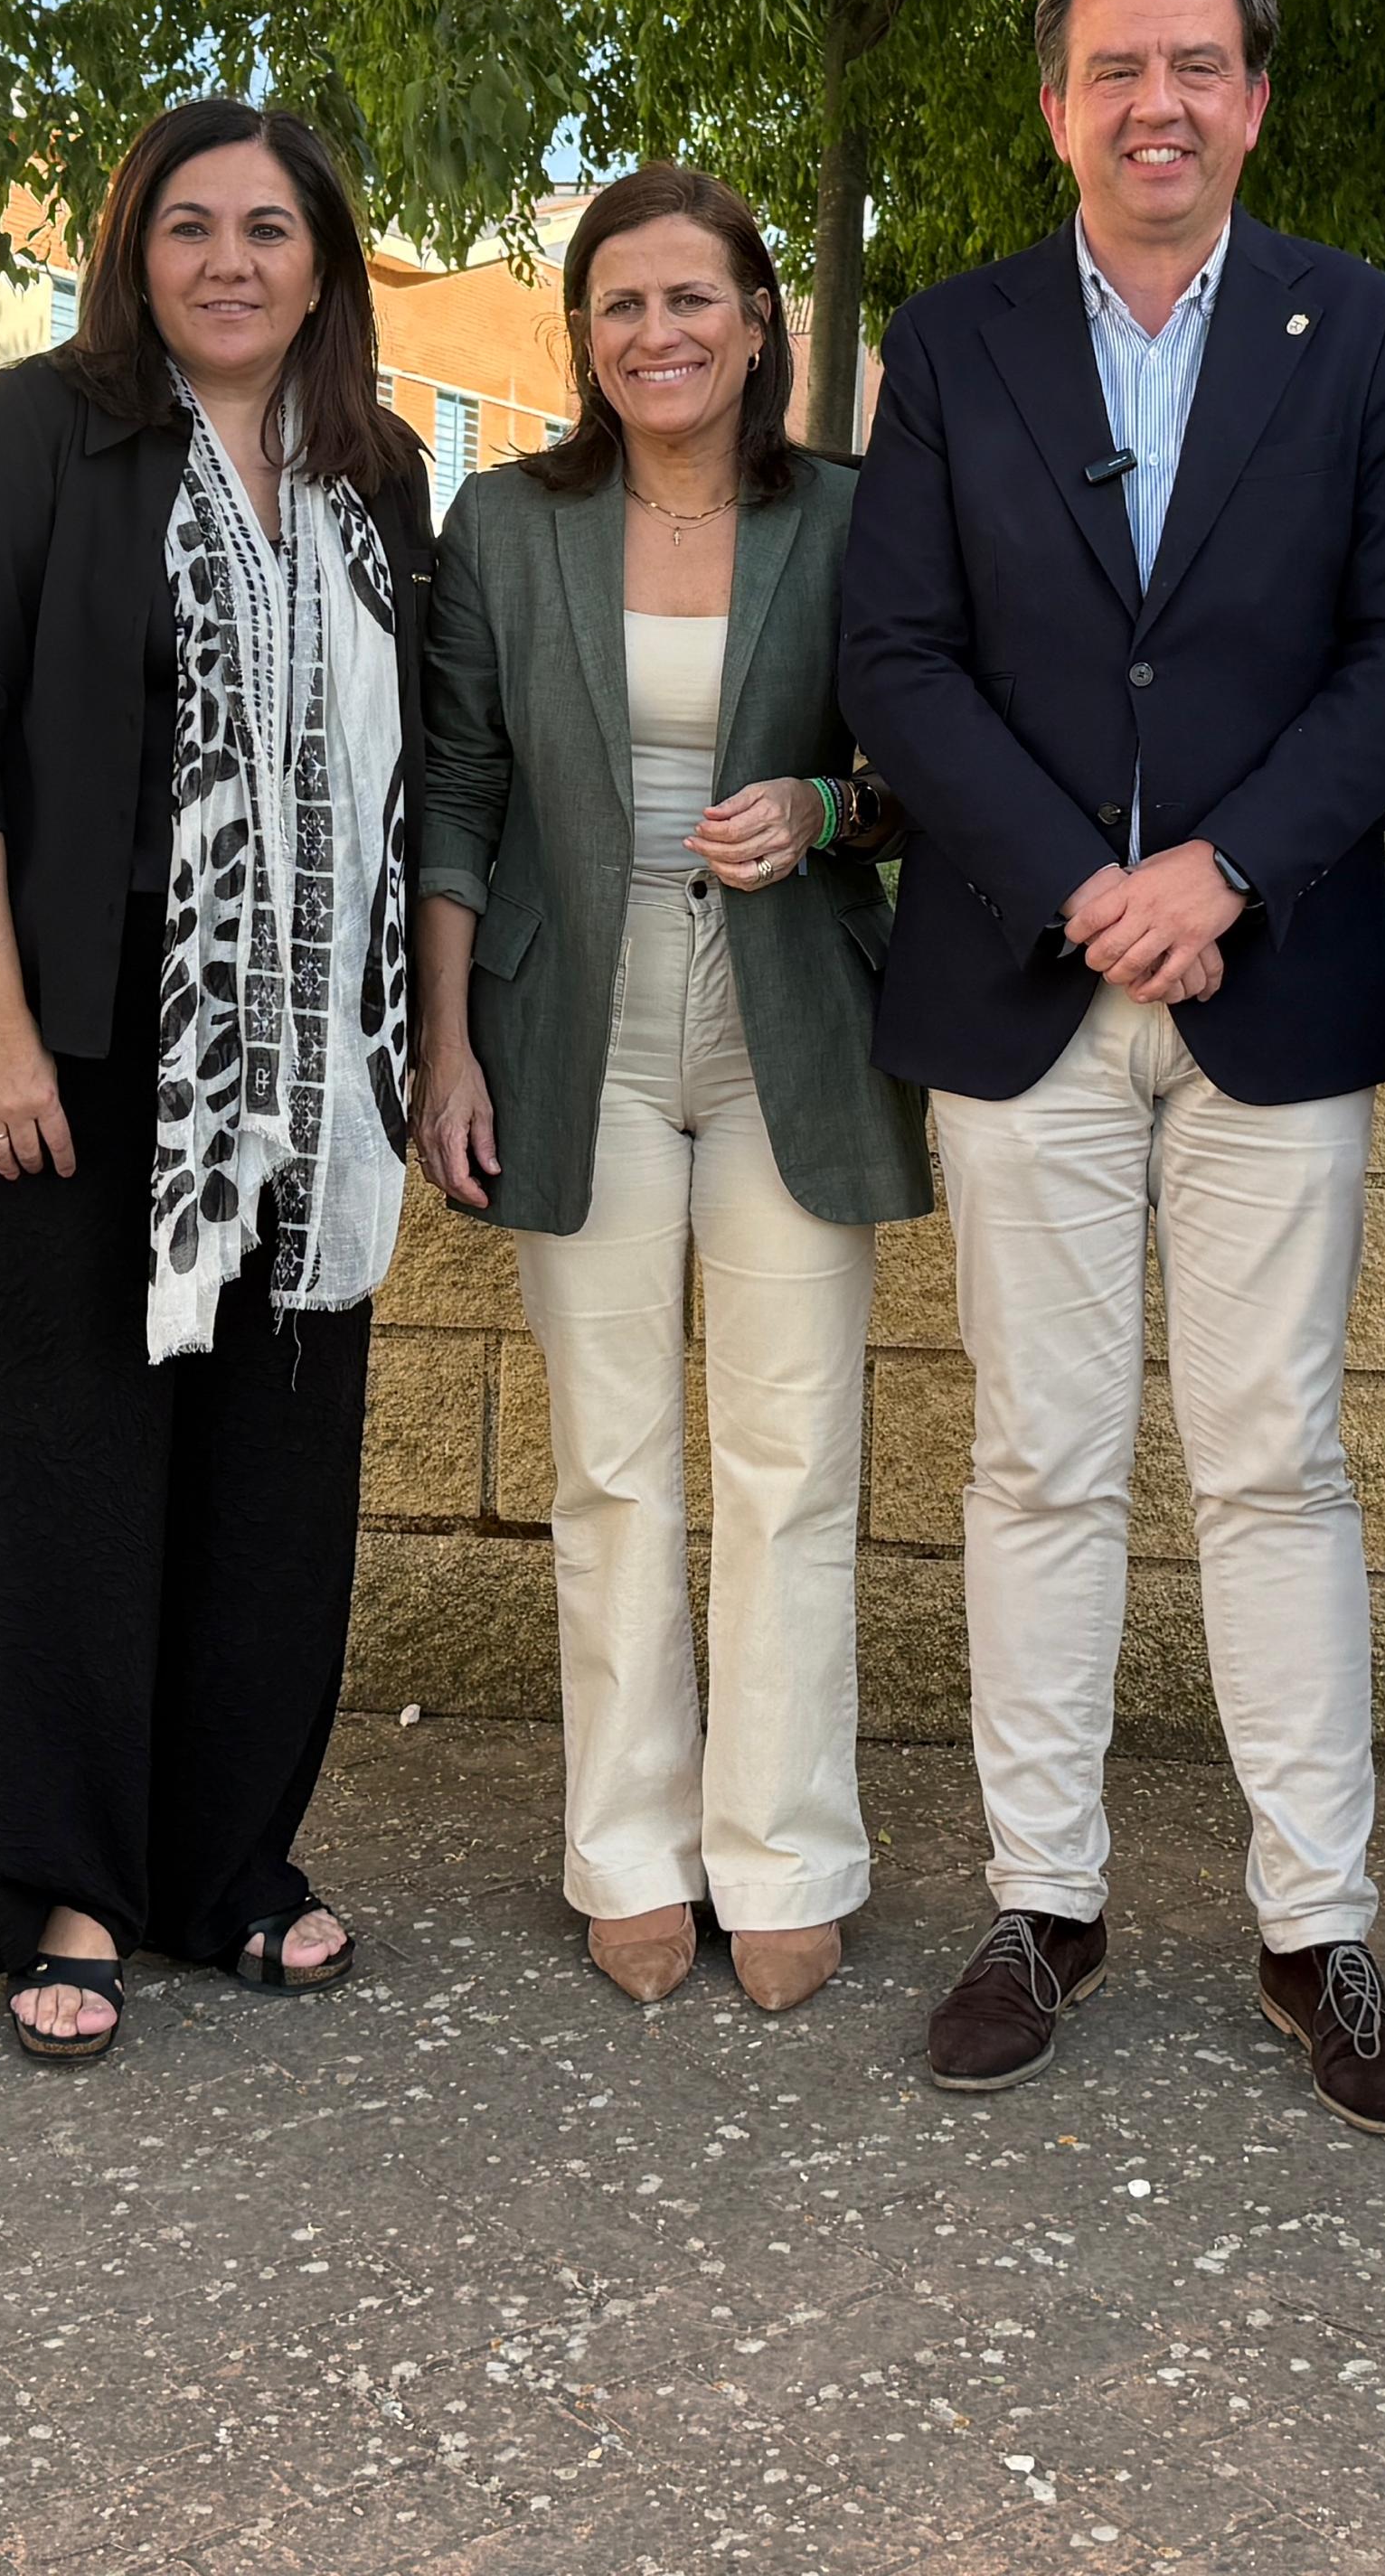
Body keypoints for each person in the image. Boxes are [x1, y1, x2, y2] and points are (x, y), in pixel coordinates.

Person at [838, 0, 1385, 2132]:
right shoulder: (954, 336)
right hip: (1022, 988)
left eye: (1197, 65)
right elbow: (895, 655)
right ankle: (1045, 1901)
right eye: (1116, 68)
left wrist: (1221, 874)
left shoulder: (1355, 332)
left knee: (1273, 1461)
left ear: (1255, 96)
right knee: (1037, 1454)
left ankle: (1319, 1933)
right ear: (1054, 104)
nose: (1157, 105)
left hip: (1267, 986)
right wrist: (1079, 884)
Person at [0, 99, 431, 2063]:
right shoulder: (47, 431)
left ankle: (227, 1868)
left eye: (267, 228)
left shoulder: (376, 474)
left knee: (274, 1480)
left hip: (314, 1055)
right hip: (88, 1038)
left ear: (323, 261)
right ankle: (70, 1880)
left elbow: (421, 774)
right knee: (70, 1476)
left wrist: (418, 1046)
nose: (227, 260)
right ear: (130, 249)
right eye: (186, 224)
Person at [412, 165, 930, 2015]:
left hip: (791, 1013)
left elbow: (920, 771)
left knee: (791, 1462)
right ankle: (628, 1844)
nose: (658, 334)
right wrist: (446, 1043)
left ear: (761, 322)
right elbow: (455, 802)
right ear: (582, 337)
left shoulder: (862, 519)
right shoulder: (503, 526)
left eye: (694, 300)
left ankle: (783, 1846)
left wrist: (824, 807)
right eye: (621, 305)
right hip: (577, 1025)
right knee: (613, 1463)